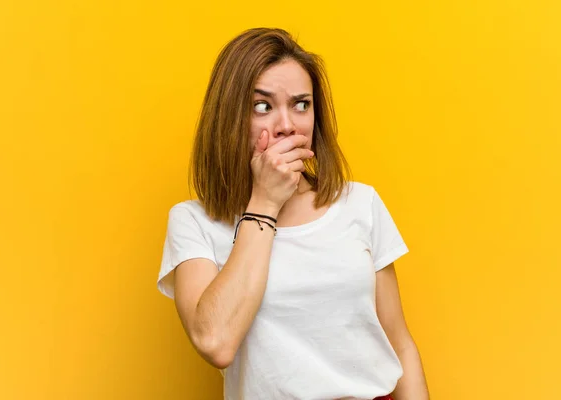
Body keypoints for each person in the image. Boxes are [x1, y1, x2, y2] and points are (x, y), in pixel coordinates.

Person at [157, 27, 429, 400]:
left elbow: (401, 347)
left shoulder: (359, 204)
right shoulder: (194, 222)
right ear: (229, 118)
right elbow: (216, 342)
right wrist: (265, 203)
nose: (287, 125)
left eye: (302, 104)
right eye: (263, 106)